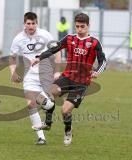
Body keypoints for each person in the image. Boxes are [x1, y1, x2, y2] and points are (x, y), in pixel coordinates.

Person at [31, 13, 106, 146]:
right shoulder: (69, 38)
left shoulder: (94, 42)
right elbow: (54, 49)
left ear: (88, 26)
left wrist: (97, 72)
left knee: (65, 110)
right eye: (77, 26)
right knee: (48, 93)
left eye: (82, 27)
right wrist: (39, 57)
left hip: (81, 83)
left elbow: (103, 61)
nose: (79, 29)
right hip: (67, 77)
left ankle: (68, 130)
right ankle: (47, 123)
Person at [9, 12, 61, 145]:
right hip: (29, 77)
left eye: (33, 23)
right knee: (31, 104)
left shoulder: (45, 35)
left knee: (48, 103)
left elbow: (58, 51)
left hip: (45, 74)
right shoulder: (18, 38)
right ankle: (41, 137)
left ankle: (49, 108)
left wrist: (57, 71)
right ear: (24, 24)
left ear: (37, 23)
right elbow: (12, 57)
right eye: (28, 23)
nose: (31, 26)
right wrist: (13, 72)